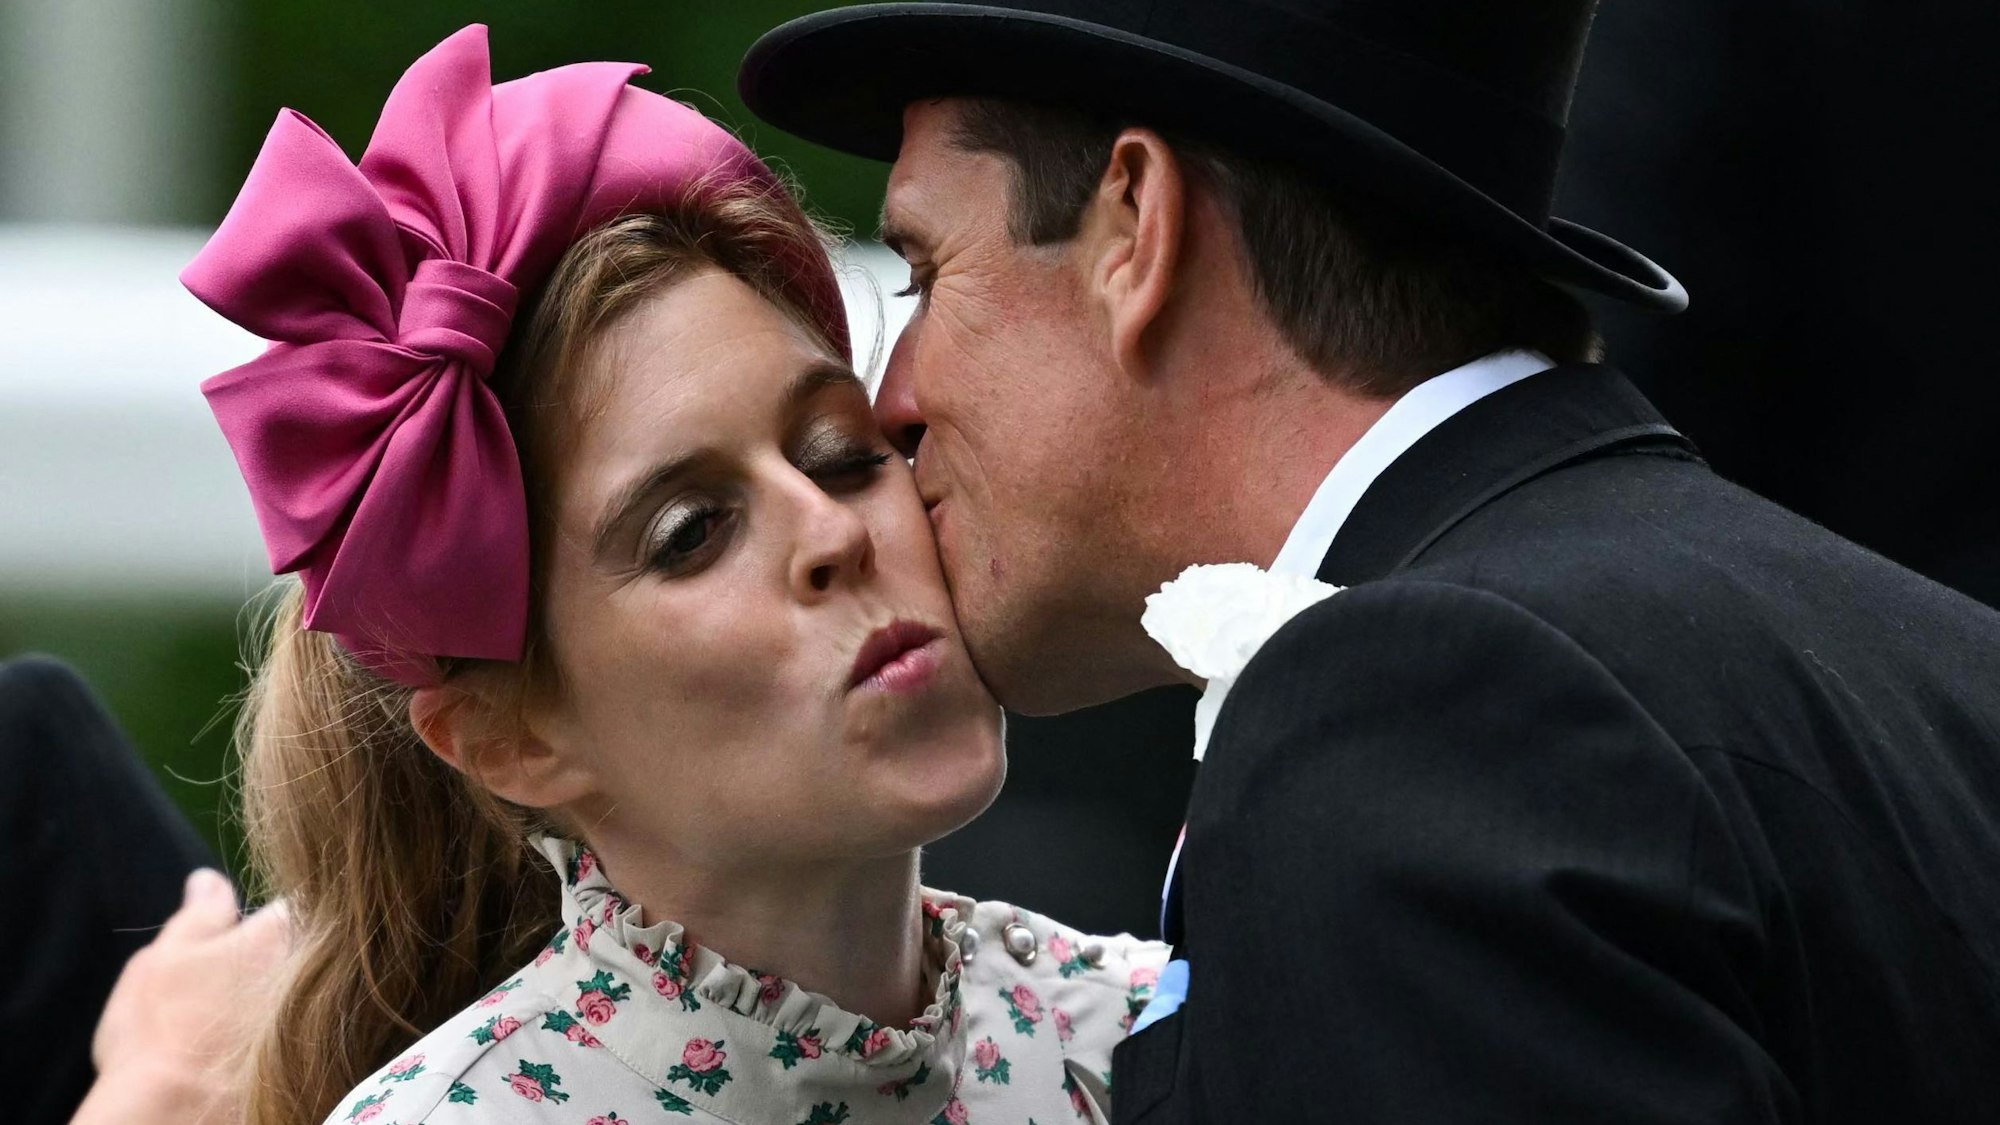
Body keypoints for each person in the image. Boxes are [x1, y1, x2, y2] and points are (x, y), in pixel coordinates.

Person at [738, 1, 2000, 1121]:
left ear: (1134, 223)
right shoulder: (1932, 655)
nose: (887, 399)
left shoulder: (1415, 714)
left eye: (922, 271)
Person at [115, 26, 1163, 1125]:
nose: (831, 534)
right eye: (690, 533)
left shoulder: (1155, 1035)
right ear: (512, 739)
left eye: (842, 455)